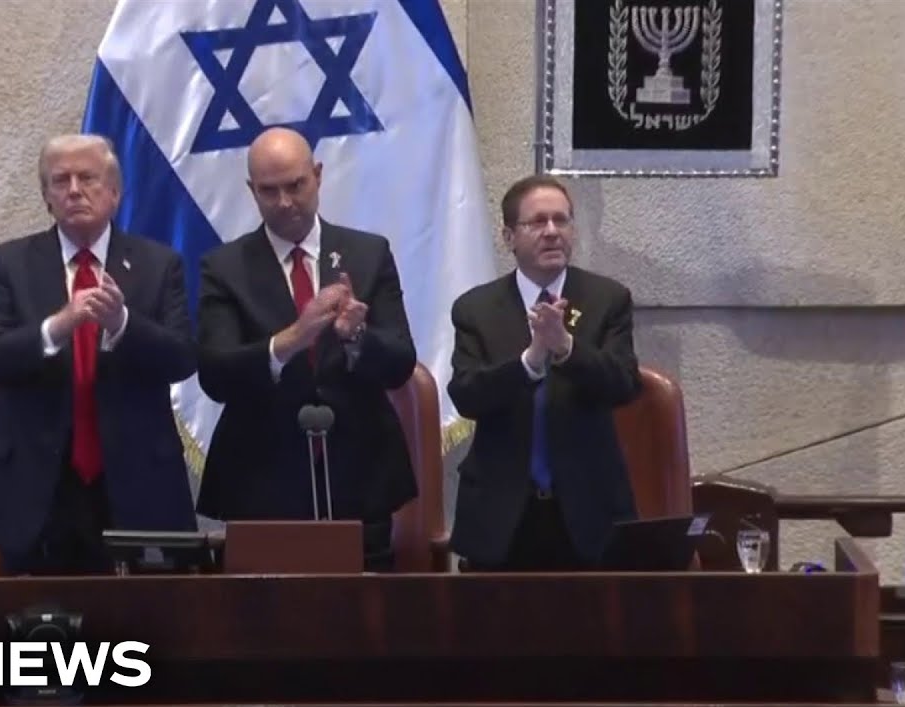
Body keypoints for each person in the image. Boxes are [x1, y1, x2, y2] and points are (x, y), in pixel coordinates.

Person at [0, 134, 198, 575]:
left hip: (133, 483)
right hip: (36, 488)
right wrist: (57, 326)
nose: (74, 191)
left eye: (87, 178)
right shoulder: (9, 264)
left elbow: (182, 357)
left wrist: (122, 323)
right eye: (60, 181)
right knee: (39, 616)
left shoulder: (159, 264)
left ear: (115, 192)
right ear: (46, 198)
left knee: (141, 615)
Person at [195, 127, 417, 572]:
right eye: (269, 191)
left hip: (360, 472)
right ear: (251, 190)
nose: (284, 202)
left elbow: (400, 362)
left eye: (295, 185)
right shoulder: (225, 266)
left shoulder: (368, 253)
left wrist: (357, 337)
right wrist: (292, 338)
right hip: (262, 476)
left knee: (364, 607)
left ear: (317, 175)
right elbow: (215, 374)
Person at [447, 174, 641, 571]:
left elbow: (624, 384)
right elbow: (467, 395)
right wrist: (530, 361)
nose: (552, 232)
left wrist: (566, 347)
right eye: (537, 222)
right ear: (509, 237)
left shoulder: (607, 299)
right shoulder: (475, 309)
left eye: (561, 220)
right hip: (500, 516)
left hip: (589, 514)